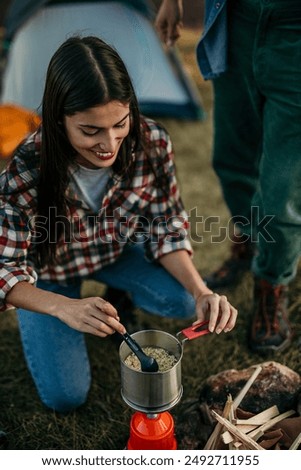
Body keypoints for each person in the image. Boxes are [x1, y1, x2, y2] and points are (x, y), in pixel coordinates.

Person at [0, 36, 237, 413]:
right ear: (59, 120)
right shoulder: (27, 165)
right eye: (90, 131)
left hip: (115, 253)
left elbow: (165, 225)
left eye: (119, 123)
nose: (109, 144)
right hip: (51, 275)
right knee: (66, 397)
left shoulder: (153, 141)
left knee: (180, 299)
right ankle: (76, 305)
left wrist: (201, 290)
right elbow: (4, 271)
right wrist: (63, 307)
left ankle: (117, 294)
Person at [155, 0, 301, 354]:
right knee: (232, 160)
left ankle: (270, 284)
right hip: (234, 18)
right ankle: (249, 243)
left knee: (281, 195)